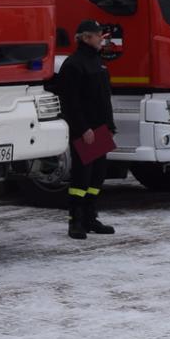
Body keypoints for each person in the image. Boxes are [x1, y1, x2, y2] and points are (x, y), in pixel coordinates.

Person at [51, 20, 116, 239]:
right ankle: (75, 221)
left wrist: (109, 125)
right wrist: (83, 128)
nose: (102, 39)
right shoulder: (74, 64)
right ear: (86, 38)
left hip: (100, 128)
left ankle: (90, 217)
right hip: (85, 130)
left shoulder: (97, 62)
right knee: (82, 177)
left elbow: (104, 98)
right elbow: (71, 103)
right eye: (98, 36)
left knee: (97, 176)